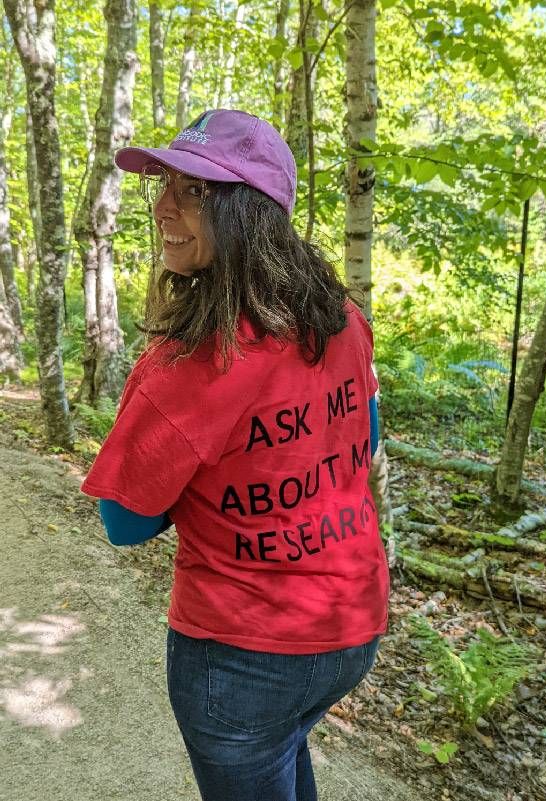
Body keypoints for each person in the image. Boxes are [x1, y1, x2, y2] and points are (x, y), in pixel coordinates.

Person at [80, 108, 390, 801]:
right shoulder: (340, 316)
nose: (162, 206)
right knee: (280, 751)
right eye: (164, 184)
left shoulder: (188, 364)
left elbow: (123, 522)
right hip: (351, 626)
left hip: (241, 657)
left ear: (250, 211)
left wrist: (193, 485)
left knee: (262, 748)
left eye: (194, 191)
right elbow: (363, 438)